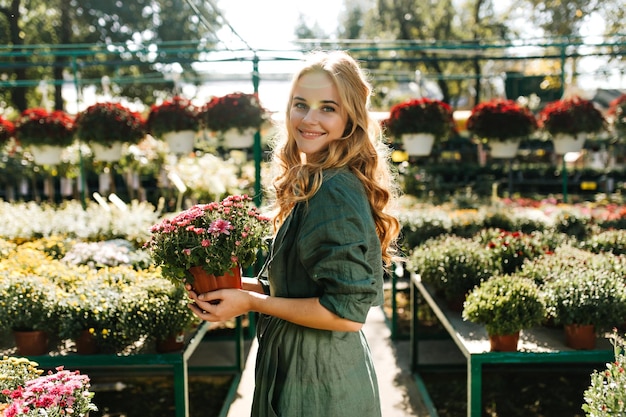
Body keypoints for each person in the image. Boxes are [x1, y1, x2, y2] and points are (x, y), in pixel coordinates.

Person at [187, 50, 401, 417]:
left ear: (350, 118)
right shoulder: (319, 179)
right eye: (300, 104)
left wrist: (253, 303)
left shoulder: (333, 189)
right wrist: (233, 289)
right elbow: (297, 290)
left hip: (320, 386)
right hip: (305, 372)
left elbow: (347, 313)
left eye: (327, 108)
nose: (309, 118)